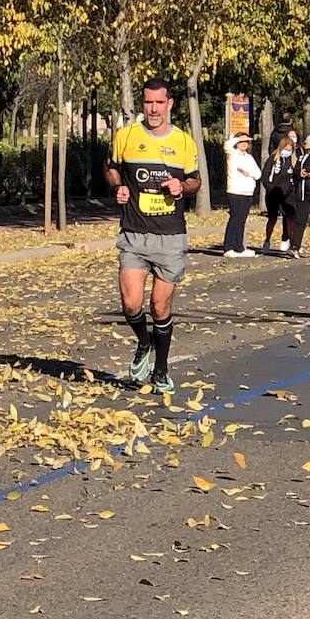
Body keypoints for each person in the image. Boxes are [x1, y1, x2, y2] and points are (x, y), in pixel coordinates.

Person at [106, 77, 201, 395]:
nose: (154, 108)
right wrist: (117, 186)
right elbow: (111, 167)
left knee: (160, 306)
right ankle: (144, 344)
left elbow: (196, 180)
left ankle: (161, 370)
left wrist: (181, 187)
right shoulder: (126, 136)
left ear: (170, 104)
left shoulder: (184, 142)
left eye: (160, 103)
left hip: (170, 236)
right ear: (142, 104)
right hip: (134, 231)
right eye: (148, 103)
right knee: (131, 303)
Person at [222, 132, 260, 257]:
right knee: (235, 219)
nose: (244, 144)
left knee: (242, 220)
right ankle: (228, 247)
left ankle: (239, 247)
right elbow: (227, 146)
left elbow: (258, 173)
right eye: (241, 141)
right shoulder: (232, 154)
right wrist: (236, 138)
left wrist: (248, 173)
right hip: (235, 191)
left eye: (246, 142)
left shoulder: (248, 157)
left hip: (248, 192)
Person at [260, 130, 297, 254]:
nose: (288, 151)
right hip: (274, 193)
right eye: (286, 149)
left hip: (289, 193)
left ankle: (288, 239)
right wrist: (270, 188)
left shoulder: (294, 161)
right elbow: (264, 176)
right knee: (272, 218)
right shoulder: (273, 158)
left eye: (290, 149)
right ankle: (267, 240)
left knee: (290, 216)